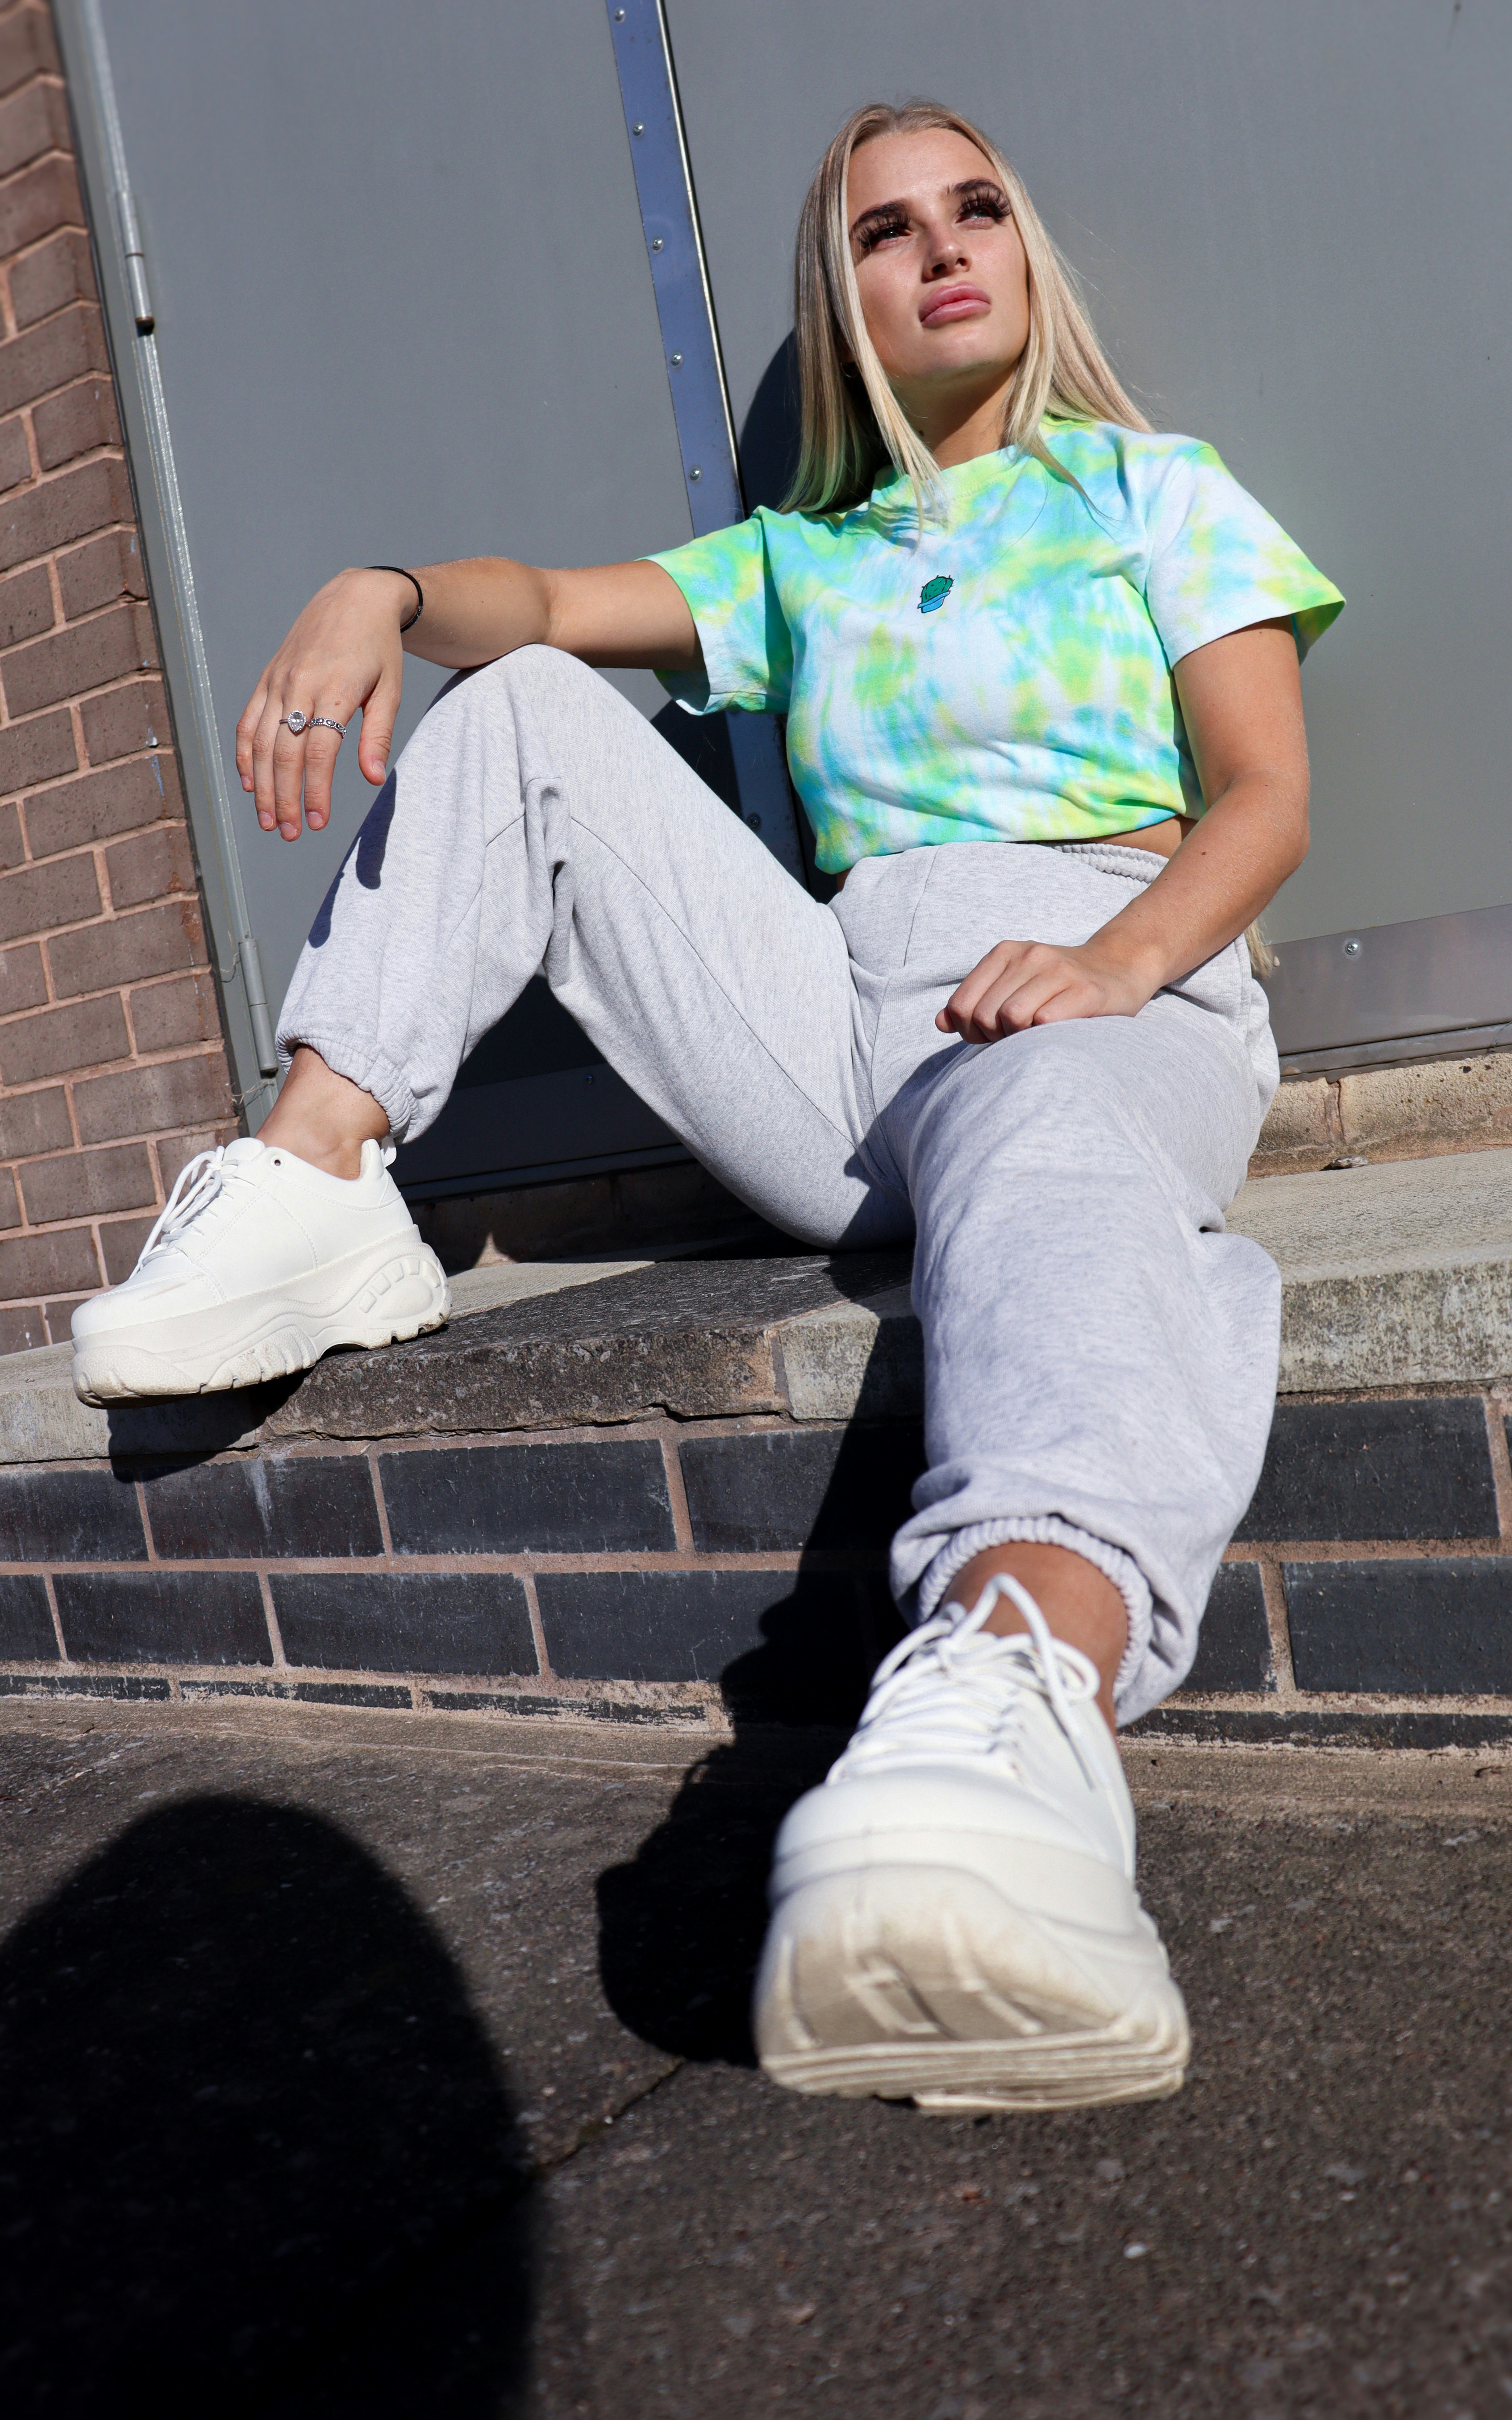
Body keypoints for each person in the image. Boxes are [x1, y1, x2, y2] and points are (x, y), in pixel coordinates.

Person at [71, 100, 1341, 2112]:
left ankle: (1015, 1702)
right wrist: (383, 590)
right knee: (523, 712)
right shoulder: (800, 563)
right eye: (880, 233)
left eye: (974, 211)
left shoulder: (1147, 491)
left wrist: (1112, 968)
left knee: (1050, 1134)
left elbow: (1264, 794)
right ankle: (317, 1167)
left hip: (1102, 962)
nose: (939, 251)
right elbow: (547, 608)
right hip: (839, 1028)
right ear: (835, 303)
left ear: (1026, 257)